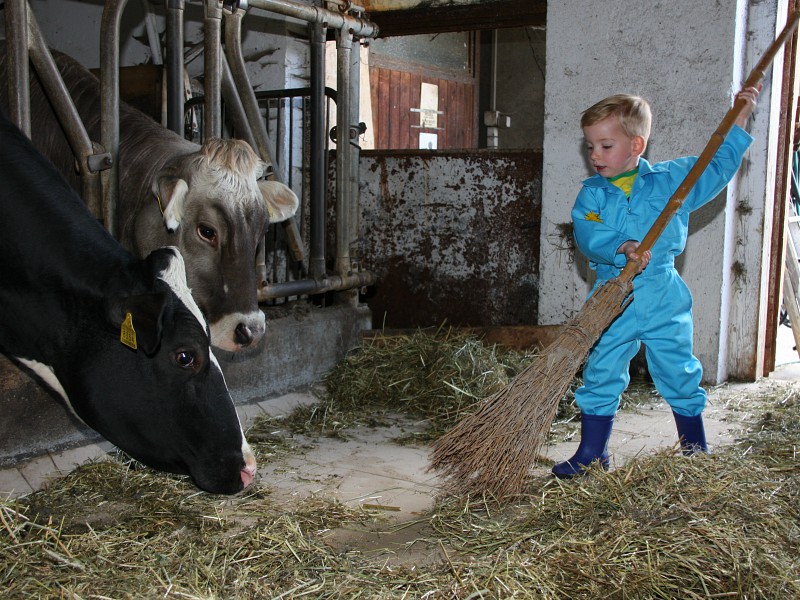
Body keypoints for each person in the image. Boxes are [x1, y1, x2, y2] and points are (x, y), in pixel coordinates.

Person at [553, 86, 761, 479]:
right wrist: (621, 245)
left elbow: (715, 166)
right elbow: (587, 233)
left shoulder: (671, 179)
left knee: (679, 369)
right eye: (590, 146)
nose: (595, 155)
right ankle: (592, 453)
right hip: (613, 295)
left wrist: (739, 120)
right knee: (601, 368)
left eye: (605, 145)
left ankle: (695, 451)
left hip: (663, 291)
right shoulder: (591, 196)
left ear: (636, 144)